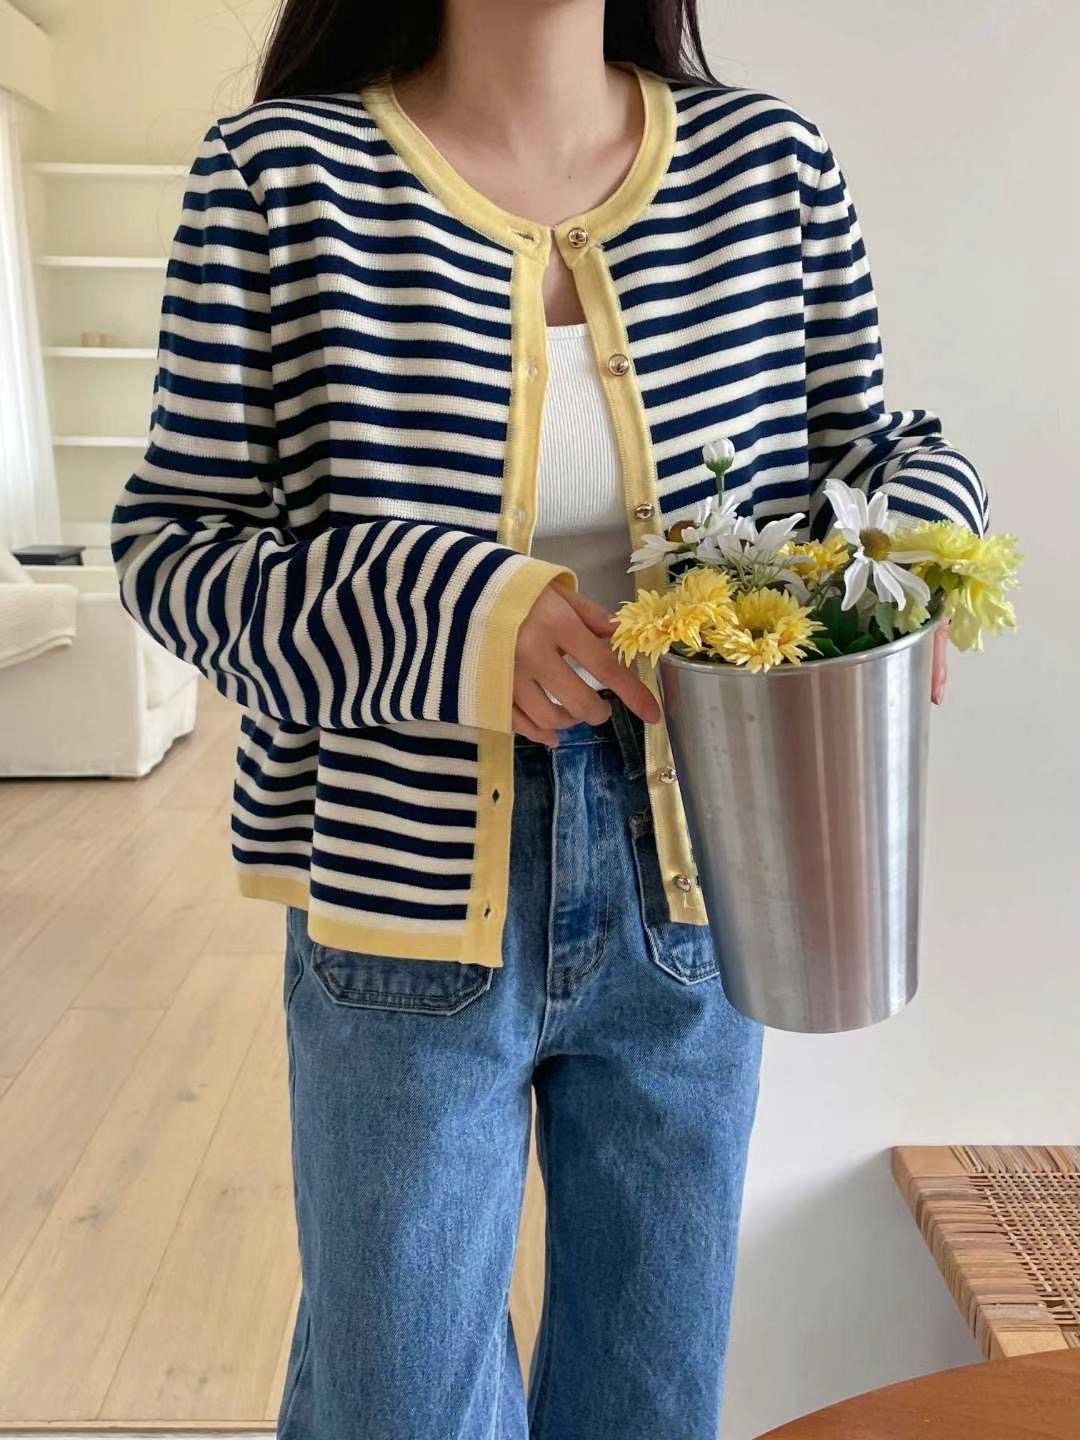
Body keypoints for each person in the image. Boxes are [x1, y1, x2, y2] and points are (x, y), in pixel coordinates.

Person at [110, 2, 989, 1436]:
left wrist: (912, 565)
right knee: (399, 1402)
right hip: (401, 894)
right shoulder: (277, 177)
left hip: (704, 881)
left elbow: (879, 452)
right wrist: (460, 618)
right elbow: (177, 553)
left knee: (651, 1395)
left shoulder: (771, 165)